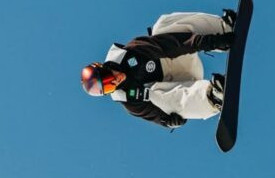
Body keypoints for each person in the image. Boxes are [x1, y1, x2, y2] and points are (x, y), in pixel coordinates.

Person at [81, 10, 236, 129]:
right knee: (151, 94)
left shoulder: (130, 53)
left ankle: (223, 28)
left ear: (104, 66)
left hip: (180, 58)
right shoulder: (129, 99)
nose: (114, 82)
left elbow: (170, 44)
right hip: (184, 85)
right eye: (109, 87)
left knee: (162, 25)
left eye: (108, 78)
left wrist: (210, 42)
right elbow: (156, 115)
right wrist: (168, 121)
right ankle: (213, 97)